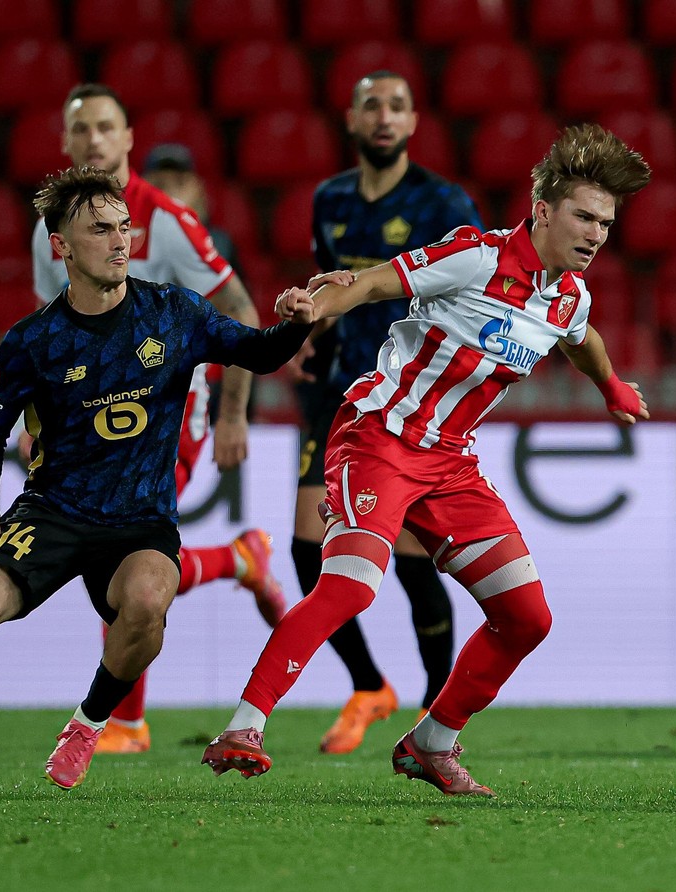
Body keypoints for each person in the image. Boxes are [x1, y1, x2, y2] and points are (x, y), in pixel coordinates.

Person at [201, 124, 652, 796]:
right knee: (351, 584)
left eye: (606, 223)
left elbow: (581, 341)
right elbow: (370, 285)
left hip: (451, 466)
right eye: (584, 217)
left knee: (527, 617)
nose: (596, 234)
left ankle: (430, 743)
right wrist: (307, 309)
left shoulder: (568, 298)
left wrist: (611, 387)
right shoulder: (475, 257)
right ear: (543, 211)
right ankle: (244, 728)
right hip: (379, 435)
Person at [0, 167, 315, 798]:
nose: (120, 241)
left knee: (148, 604)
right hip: (52, 512)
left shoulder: (173, 312)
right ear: (61, 246)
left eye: (125, 227)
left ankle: (89, 724)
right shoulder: (34, 341)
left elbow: (258, 352)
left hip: (140, 520)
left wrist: (296, 323)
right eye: (100, 229)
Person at [32, 84, 287, 755]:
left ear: (127, 139)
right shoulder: (49, 231)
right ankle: (238, 559)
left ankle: (125, 722)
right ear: (65, 142)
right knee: (112, 557)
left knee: (122, 548)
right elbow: (48, 337)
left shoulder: (166, 221)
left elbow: (239, 307)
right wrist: (41, 422)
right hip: (91, 419)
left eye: (105, 127)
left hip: (174, 410)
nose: (93, 139)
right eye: (81, 128)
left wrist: (234, 414)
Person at [294, 71, 483, 755]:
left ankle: (436, 711)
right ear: (351, 119)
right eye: (371, 105)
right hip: (341, 394)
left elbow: (472, 292)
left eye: (396, 106)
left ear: (413, 122)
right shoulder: (330, 199)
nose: (383, 117)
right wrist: (309, 335)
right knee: (307, 548)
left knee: (409, 562)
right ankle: (370, 686)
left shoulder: (443, 202)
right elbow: (330, 286)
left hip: (410, 400)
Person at [141, 142, 243, 275]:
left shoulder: (219, 245)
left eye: (179, 183)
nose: (169, 193)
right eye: (160, 184)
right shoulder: (127, 245)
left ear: (198, 190)